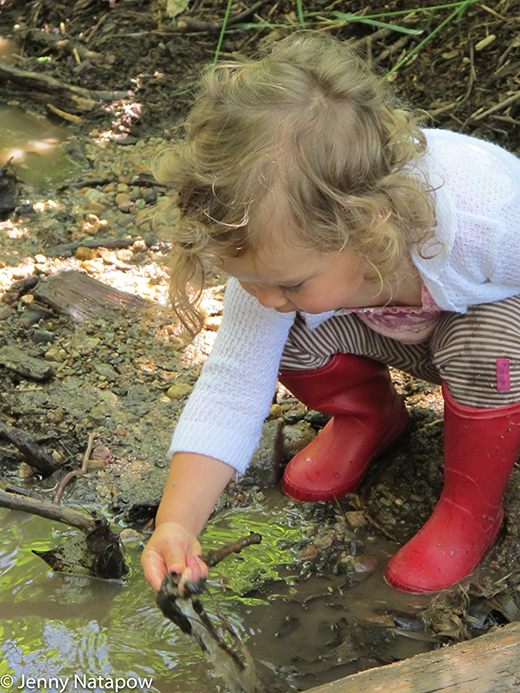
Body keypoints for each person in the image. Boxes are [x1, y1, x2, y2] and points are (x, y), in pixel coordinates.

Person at [141, 32, 520, 595]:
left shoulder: (491, 222)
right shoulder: (282, 254)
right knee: (283, 327)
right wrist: (176, 522)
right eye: (251, 280)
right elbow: (233, 383)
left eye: (289, 281)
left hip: (486, 341)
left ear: (370, 226)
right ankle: (372, 418)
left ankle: (470, 505)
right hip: (398, 327)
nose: (264, 295)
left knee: (490, 341)